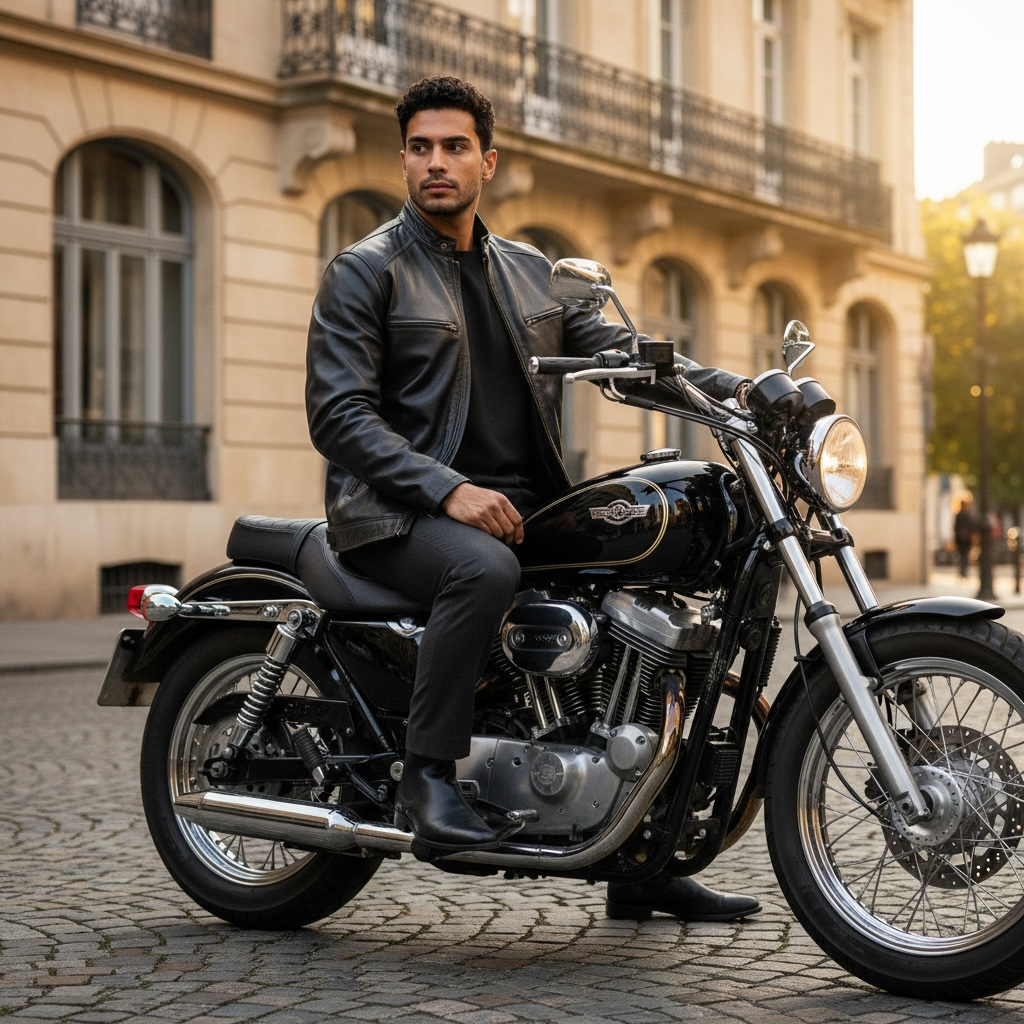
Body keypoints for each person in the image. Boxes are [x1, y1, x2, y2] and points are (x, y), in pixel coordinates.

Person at [306, 75, 759, 922]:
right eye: (420, 147)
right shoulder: (366, 271)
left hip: (524, 505)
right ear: (404, 158)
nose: (436, 163)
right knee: (480, 569)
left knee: (658, 600)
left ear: (489, 160)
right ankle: (428, 780)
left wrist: (739, 392)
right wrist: (449, 488)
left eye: (454, 147)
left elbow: (629, 357)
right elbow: (339, 417)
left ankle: (639, 853)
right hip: (398, 512)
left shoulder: (528, 274)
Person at [954, 498, 975, 578]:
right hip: (965, 539)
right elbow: (971, 527)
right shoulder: (967, 515)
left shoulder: (959, 515)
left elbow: (956, 528)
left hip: (961, 539)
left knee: (962, 555)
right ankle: (964, 570)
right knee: (964, 555)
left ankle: (963, 570)